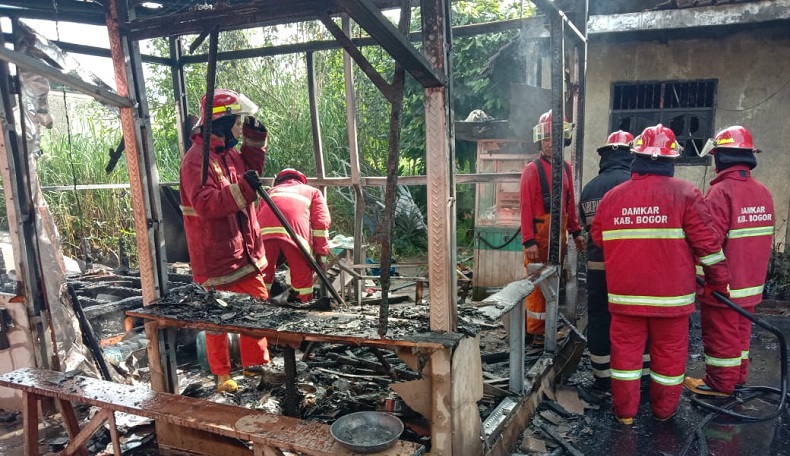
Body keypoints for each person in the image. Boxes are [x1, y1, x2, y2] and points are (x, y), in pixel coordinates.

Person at [591, 124, 729, 424]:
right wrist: (718, 282)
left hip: (625, 298)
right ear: (671, 160)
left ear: (636, 156)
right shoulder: (687, 194)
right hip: (672, 301)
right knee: (669, 357)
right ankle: (663, 413)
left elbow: (599, 239)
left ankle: (625, 415)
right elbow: (709, 247)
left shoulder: (612, 198)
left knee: (625, 359)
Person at [179, 89, 272, 393]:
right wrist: (245, 188)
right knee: (216, 320)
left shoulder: (228, 152)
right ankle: (222, 377)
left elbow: (250, 176)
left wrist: (255, 143)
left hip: (244, 252)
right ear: (220, 122)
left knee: (255, 314)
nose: (237, 126)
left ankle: (258, 371)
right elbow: (207, 204)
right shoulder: (195, 161)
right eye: (235, 121)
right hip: (217, 257)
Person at [684, 126, 775, 396]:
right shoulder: (763, 192)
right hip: (752, 284)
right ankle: (737, 377)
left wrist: (706, 279)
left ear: (721, 157)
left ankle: (719, 384)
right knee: (741, 333)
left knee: (722, 334)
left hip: (725, 285)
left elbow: (708, 243)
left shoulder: (721, 192)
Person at [579, 130, 649, 391]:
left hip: (597, 267)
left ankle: (602, 374)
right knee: (634, 319)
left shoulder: (589, 189)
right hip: (629, 268)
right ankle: (639, 375)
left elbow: (586, 229)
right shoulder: (633, 184)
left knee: (598, 316)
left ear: (604, 157)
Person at [519, 109, 586, 348]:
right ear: (540, 139)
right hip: (539, 236)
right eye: (546, 139)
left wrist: (576, 232)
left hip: (559, 235)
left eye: (554, 139)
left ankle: (546, 327)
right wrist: (528, 241)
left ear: (564, 139)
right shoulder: (532, 170)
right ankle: (536, 333)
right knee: (538, 284)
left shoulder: (566, 169)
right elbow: (526, 208)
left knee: (554, 282)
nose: (549, 144)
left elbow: (569, 204)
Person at [256, 168, 331, 302]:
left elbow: (255, 220)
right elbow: (321, 225)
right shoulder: (313, 192)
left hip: (264, 235)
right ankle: (303, 305)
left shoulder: (270, 191)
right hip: (296, 238)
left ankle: (259, 305)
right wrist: (321, 256)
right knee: (302, 278)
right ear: (302, 180)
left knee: (263, 274)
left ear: (278, 181)